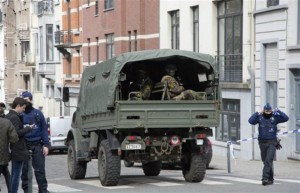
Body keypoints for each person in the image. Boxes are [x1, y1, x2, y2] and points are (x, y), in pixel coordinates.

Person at [248, 103, 289, 186]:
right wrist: (257, 113)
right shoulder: (260, 117)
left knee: (268, 160)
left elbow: (286, 118)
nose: (268, 113)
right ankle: (270, 178)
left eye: (269, 111)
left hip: (272, 142)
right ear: (264, 110)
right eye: (266, 111)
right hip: (262, 142)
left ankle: (265, 178)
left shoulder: (275, 117)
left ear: (271, 110)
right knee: (265, 160)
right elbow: (251, 121)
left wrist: (279, 111)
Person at [20, 91, 50, 193]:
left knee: (40, 171)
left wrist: (46, 145)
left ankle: (43, 191)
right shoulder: (20, 115)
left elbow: (44, 130)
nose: (25, 102)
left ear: (31, 100)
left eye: (27, 100)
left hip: (37, 145)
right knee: (25, 173)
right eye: (23, 101)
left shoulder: (38, 113)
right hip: (24, 146)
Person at [5, 97, 33, 193]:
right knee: (16, 174)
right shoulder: (14, 117)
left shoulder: (9, 116)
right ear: (18, 106)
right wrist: (28, 128)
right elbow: (16, 133)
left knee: (14, 174)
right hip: (17, 149)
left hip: (13, 148)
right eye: (23, 108)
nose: (24, 110)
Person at [0, 107, 19, 193]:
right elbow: (14, 138)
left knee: (6, 173)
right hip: (3, 155)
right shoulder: (6, 122)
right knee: (7, 174)